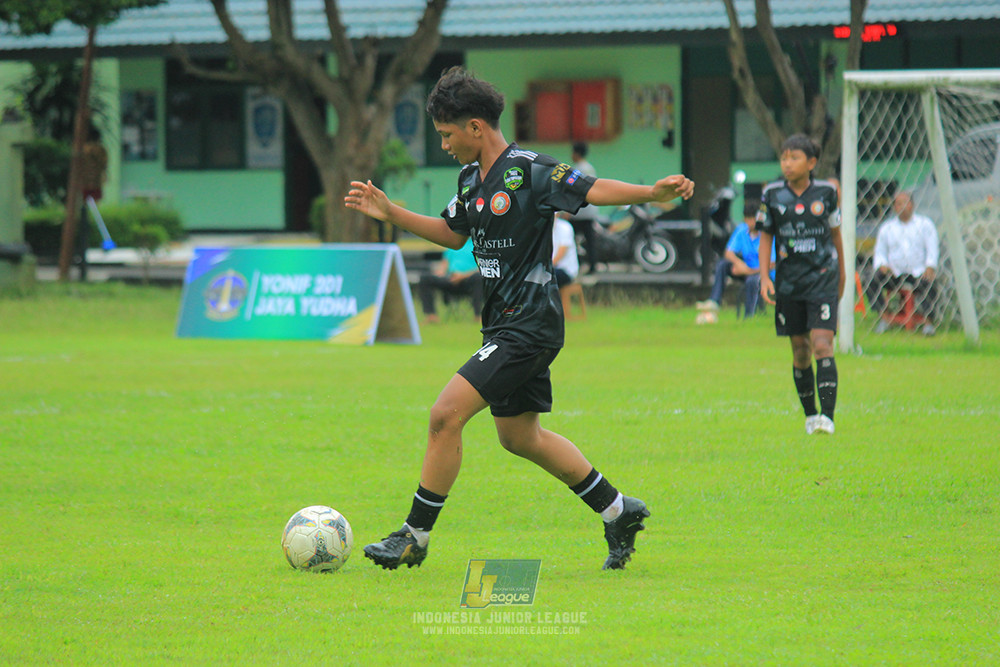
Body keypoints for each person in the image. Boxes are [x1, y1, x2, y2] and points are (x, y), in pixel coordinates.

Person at [344, 66, 694, 571]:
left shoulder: (531, 169)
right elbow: (452, 234)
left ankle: (414, 536)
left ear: (475, 128)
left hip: (529, 323)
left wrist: (651, 194)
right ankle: (619, 510)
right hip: (503, 322)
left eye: (446, 135)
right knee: (519, 437)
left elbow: (591, 189)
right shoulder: (470, 178)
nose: (444, 146)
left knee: (445, 415)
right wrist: (392, 212)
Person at [757, 134, 845, 436]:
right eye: (783, 157)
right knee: (800, 350)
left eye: (794, 157)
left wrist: (842, 274)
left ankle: (828, 418)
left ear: (811, 163)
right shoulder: (771, 194)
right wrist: (764, 277)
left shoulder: (827, 193)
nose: (787, 163)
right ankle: (810, 416)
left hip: (822, 278)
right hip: (789, 284)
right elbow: (766, 235)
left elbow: (836, 235)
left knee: (822, 344)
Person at [867, 191, 939, 336]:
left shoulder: (925, 224)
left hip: (918, 273)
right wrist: (883, 265)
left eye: (905, 202)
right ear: (894, 207)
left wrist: (930, 266)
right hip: (895, 273)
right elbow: (880, 252)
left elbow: (932, 248)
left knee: (931, 282)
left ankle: (928, 324)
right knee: (870, 279)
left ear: (912, 204)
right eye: (898, 203)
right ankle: (885, 317)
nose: (902, 206)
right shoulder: (887, 228)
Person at [695, 199, 773, 320]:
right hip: (746, 269)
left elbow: (772, 263)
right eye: (747, 218)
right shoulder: (742, 230)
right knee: (723, 264)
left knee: (752, 281)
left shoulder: (767, 233)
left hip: (763, 273)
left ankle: (749, 317)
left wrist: (748, 271)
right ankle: (715, 302)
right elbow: (728, 252)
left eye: (752, 218)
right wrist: (739, 264)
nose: (750, 222)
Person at [417, 238, 483, 323]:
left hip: (469, 280)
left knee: (478, 277)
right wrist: (441, 274)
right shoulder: (454, 244)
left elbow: (481, 268)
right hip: (450, 279)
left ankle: (478, 316)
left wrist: (462, 276)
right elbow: (444, 265)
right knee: (425, 278)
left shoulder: (478, 246)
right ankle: (431, 315)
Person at [77, 124, 108, 281]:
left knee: (86, 214)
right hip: (94, 185)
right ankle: (96, 240)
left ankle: (92, 241)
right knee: (93, 214)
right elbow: (104, 166)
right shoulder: (100, 150)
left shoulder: (83, 150)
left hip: (84, 186)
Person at [567, 141, 600, 273]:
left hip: (579, 212)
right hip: (590, 211)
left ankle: (577, 265)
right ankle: (593, 265)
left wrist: (567, 210)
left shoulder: (576, 170)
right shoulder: (589, 168)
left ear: (576, 153)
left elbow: (572, 190)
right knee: (590, 240)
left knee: (573, 240)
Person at [552, 214, 580, 288]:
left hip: (566, 270)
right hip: (551, 268)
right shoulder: (543, 229)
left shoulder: (565, 227)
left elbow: (561, 253)